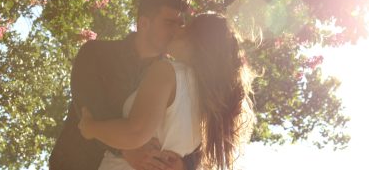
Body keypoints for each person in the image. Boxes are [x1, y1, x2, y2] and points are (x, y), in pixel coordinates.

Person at [78, 13, 255, 170]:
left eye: (185, 27)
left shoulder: (167, 72)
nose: (176, 31)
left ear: (197, 40)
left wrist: (90, 127)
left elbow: (135, 133)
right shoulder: (209, 105)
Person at [49, 0, 200, 170]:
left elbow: (193, 130)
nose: (177, 31)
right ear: (143, 23)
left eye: (180, 24)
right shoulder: (96, 53)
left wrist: (186, 165)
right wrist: (126, 149)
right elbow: (89, 110)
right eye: (169, 23)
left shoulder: (176, 77)